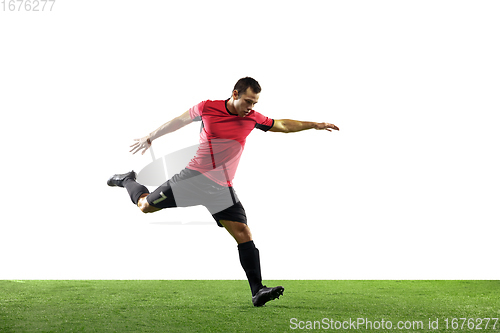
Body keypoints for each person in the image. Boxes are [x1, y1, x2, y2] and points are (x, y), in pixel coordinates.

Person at [107, 77, 339, 306]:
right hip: (191, 180)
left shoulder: (253, 118)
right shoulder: (208, 107)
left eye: (255, 103)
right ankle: (127, 179)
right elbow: (178, 121)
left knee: (243, 233)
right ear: (235, 94)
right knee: (145, 206)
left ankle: (257, 291)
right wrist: (151, 136)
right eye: (248, 101)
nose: (251, 108)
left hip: (220, 189)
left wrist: (314, 125)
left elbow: (282, 125)